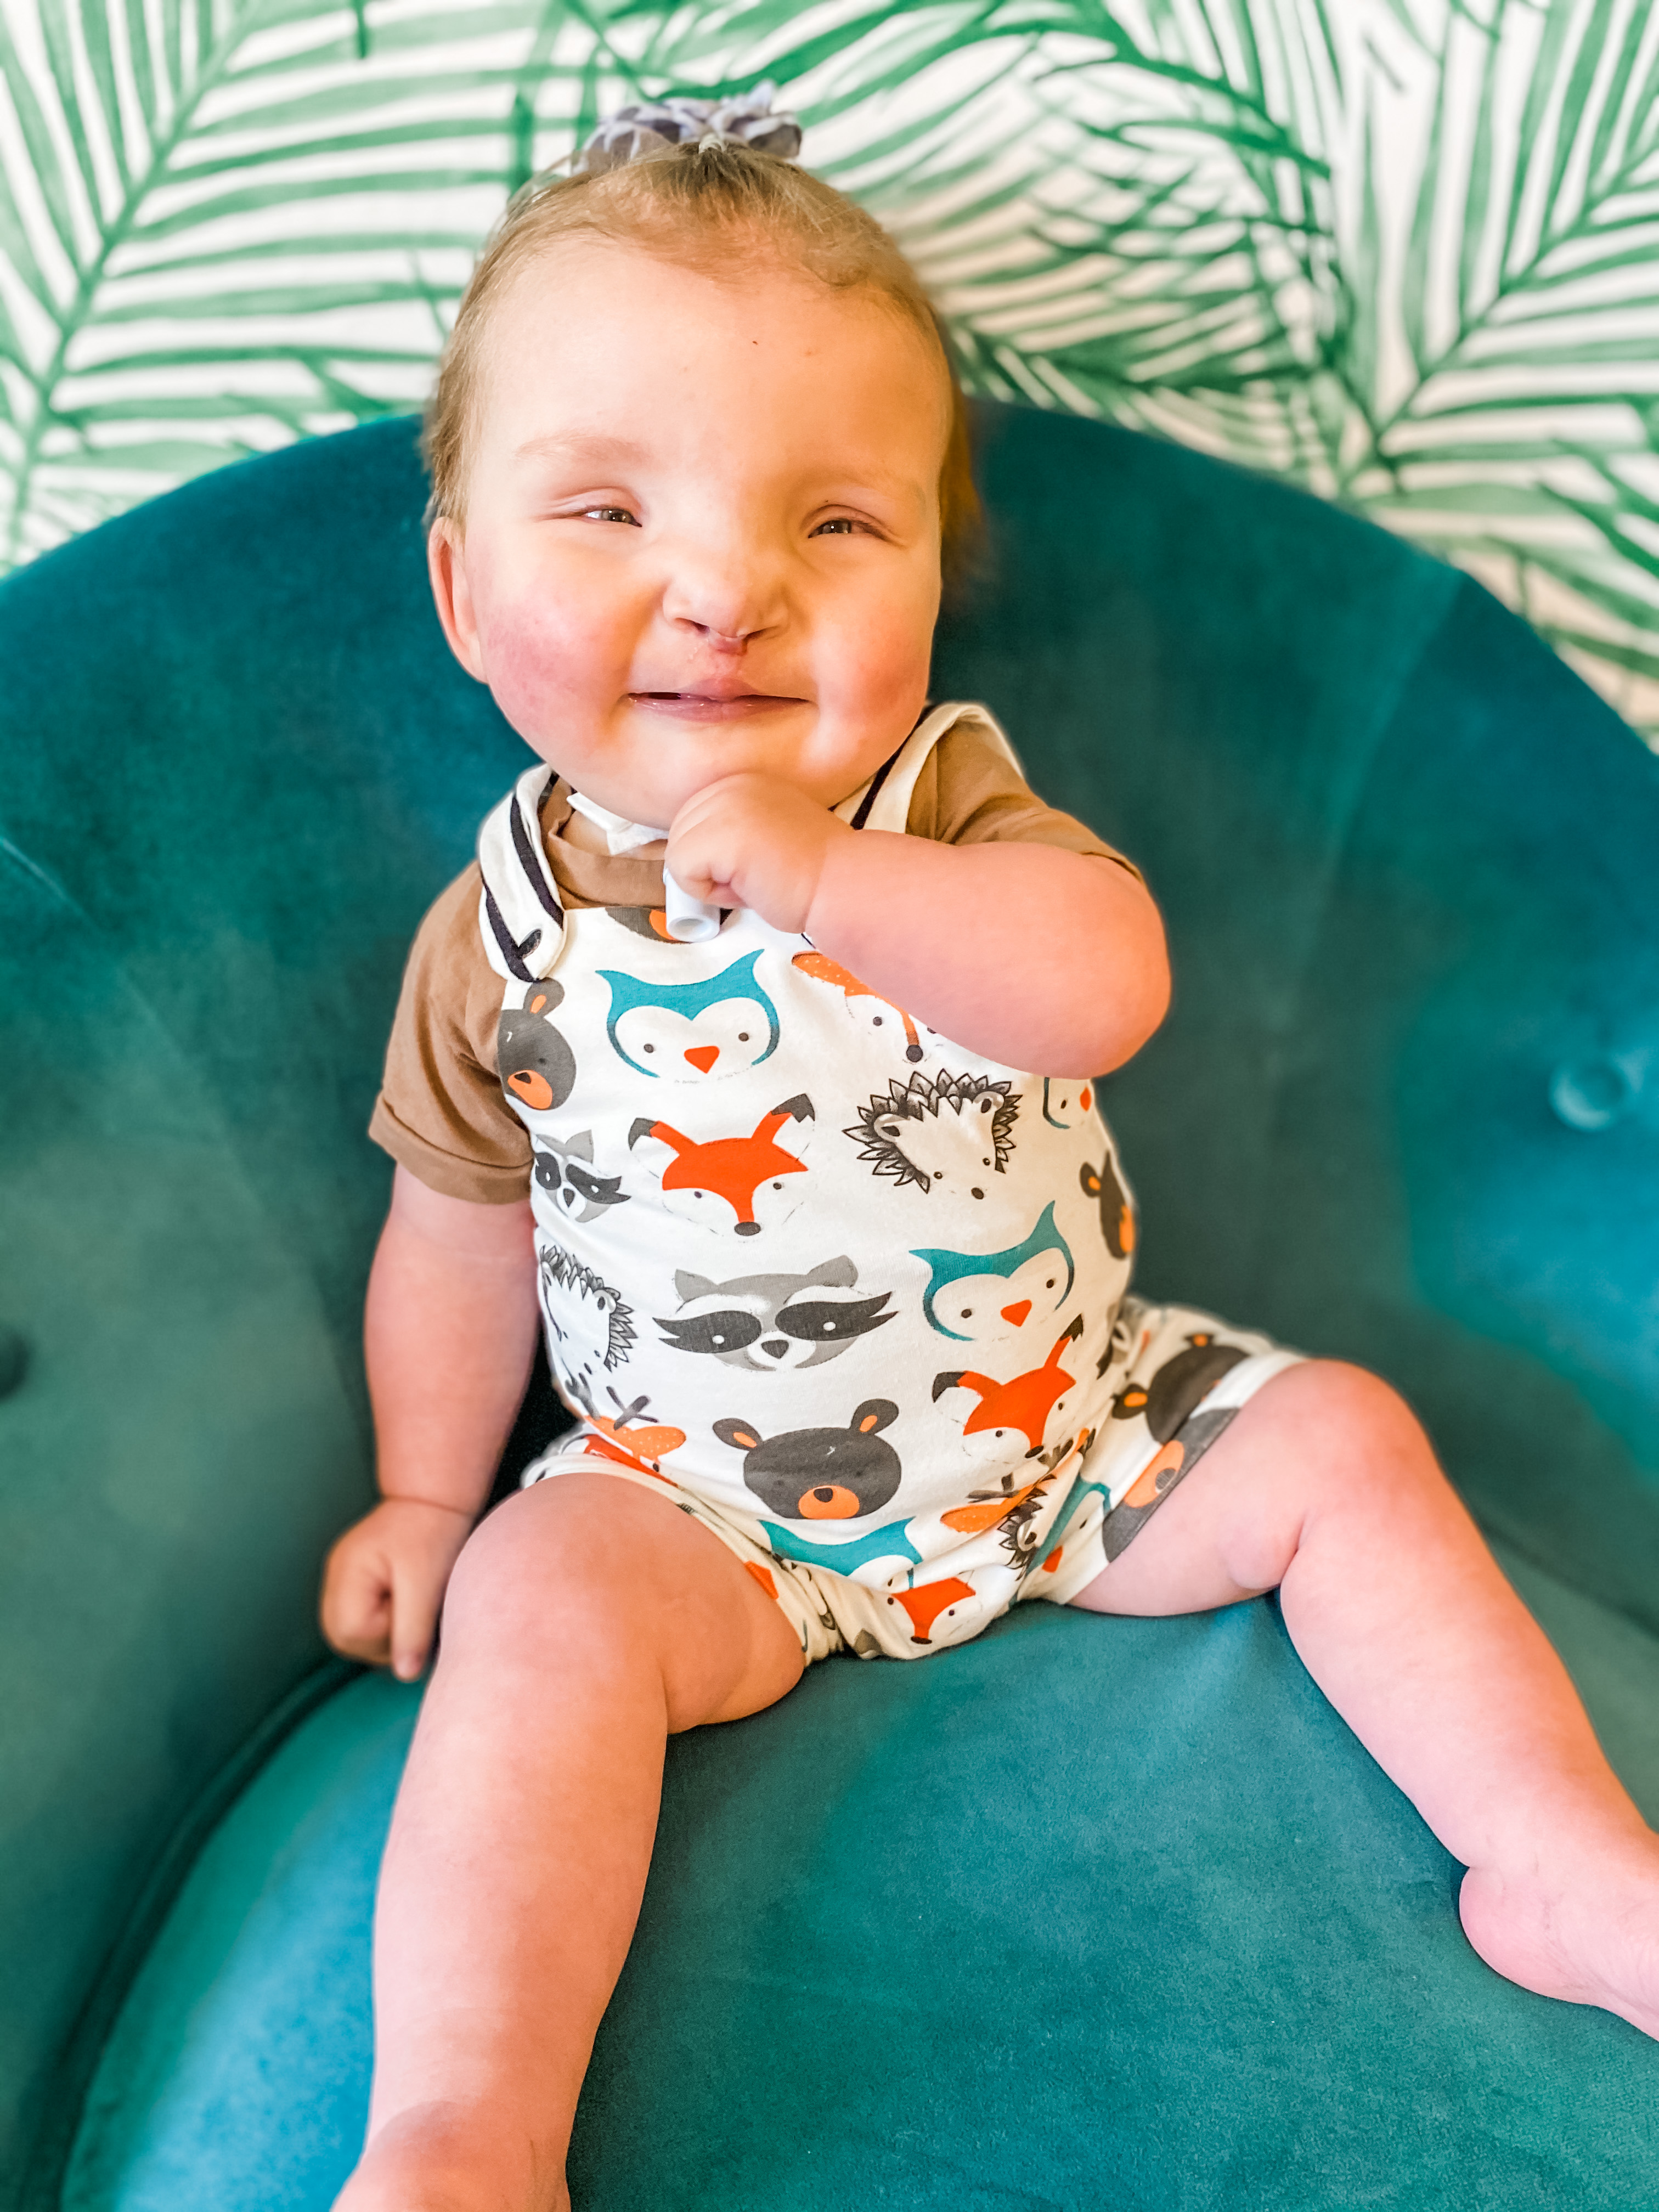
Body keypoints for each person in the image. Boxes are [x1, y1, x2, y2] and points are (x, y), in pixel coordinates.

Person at [321, 88, 1659, 2212]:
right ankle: (466, 2124)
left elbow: (1100, 983)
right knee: (531, 1598)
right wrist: (416, 1486)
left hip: (1065, 1425)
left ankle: (1562, 1864)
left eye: (835, 526)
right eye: (610, 514)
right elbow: (458, 1223)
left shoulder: (943, 810)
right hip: (703, 1508)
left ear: (936, 580)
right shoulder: (494, 926)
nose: (729, 594)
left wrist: (829, 883)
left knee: (1347, 1447)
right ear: (468, 591)